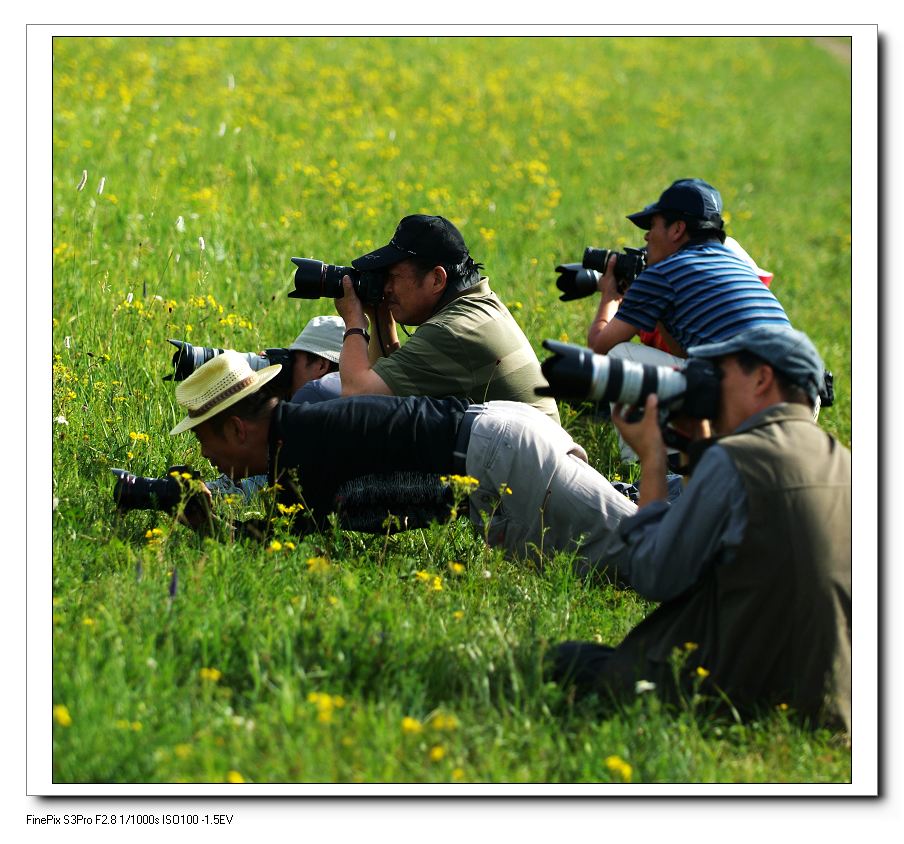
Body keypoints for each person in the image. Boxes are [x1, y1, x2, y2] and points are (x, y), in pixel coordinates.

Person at [550, 325, 851, 733]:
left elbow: (654, 575)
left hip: (742, 696)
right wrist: (699, 455)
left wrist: (654, 460)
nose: (710, 385)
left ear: (762, 379)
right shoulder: (847, 465)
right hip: (837, 700)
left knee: (566, 662)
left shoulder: (738, 459)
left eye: (720, 374)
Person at [168, 350, 636, 566]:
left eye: (205, 440)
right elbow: (293, 528)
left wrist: (217, 530)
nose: (206, 455)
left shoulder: (303, 447)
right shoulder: (295, 439)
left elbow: (296, 538)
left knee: (650, 555)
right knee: (624, 556)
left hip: (502, 454)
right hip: (498, 442)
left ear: (236, 428)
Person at [333, 214, 560, 423]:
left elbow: (357, 396)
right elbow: (388, 393)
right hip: (528, 456)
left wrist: (354, 321)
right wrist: (380, 316)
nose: (387, 287)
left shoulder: (452, 330)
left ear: (437, 279)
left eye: (393, 277)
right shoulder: (478, 305)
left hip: (523, 462)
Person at [587, 178, 790, 362]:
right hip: (803, 390)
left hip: (747, 393)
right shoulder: (740, 265)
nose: (646, 237)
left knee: (620, 354)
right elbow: (687, 355)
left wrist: (610, 296)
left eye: (652, 225)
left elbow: (599, 350)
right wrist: (660, 314)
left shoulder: (662, 273)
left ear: (677, 229)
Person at [204, 315, 345, 498]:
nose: (289, 367)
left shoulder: (315, 397)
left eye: (294, 360)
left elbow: (266, 467)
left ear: (321, 365)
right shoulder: (355, 403)